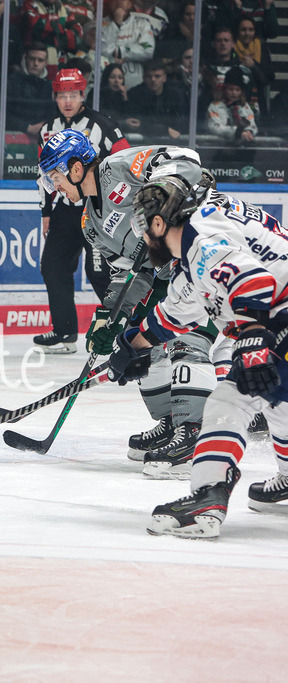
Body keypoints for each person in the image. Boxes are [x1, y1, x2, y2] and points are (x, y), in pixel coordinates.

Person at [110, 176, 288, 538]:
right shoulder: (199, 236)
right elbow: (178, 310)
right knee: (273, 394)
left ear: (159, 223)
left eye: (145, 230)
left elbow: (253, 282)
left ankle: (207, 498)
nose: (144, 241)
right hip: (279, 313)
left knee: (230, 400)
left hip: (278, 315)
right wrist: (135, 344)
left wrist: (254, 337)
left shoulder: (201, 242)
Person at [40, 128, 219, 474]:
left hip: (205, 256)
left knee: (186, 339)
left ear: (76, 169)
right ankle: (171, 421)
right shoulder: (90, 224)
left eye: (56, 177)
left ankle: (194, 432)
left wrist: (163, 209)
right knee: (135, 341)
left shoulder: (120, 167)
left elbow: (189, 162)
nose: (55, 187)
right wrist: (111, 316)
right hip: (170, 278)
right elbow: (126, 275)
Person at [34, 68, 128, 353]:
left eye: (73, 94)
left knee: (99, 272)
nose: (67, 101)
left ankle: (123, 330)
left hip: (96, 210)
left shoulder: (103, 125)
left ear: (82, 94)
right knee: (52, 266)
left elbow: (125, 159)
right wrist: (46, 212)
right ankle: (65, 333)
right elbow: (45, 175)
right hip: (64, 211)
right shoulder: (47, 129)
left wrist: (114, 203)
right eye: (62, 95)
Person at [123, 58, 189, 140]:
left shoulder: (175, 95)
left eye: (157, 76)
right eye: (149, 76)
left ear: (164, 78)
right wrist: (165, 130)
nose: (153, 80)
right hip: (142, 144)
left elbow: (181, 122)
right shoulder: (134, 95)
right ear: (143, 77)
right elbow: (135, 124)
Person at [5, 42, 53, 138]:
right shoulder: (10, 82)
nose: (36, 63)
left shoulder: (48, 87)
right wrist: (27, 127)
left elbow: (52, 114)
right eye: (32, 59)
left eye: (40, 60)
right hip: (12, 137)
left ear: (46, 63)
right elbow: (1, 114)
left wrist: (44, 125)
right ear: (25, 58)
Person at [206, 66, 258, 144]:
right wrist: (237, 132)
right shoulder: (215, 106)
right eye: (230, 89)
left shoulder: (245, 106)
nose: (234, 93)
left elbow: (252, 124)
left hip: (242, 146)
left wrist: (249, 131)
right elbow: (215, 127)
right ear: (224, 90)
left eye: (237, 90)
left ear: (241, 92)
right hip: (220, 146)